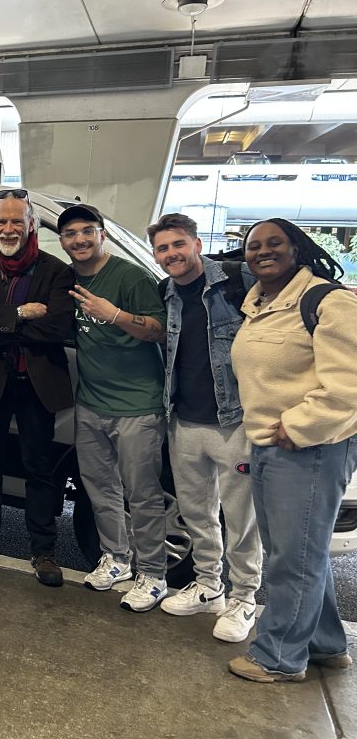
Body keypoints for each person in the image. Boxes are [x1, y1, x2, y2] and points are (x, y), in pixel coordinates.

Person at [227, 218, 357, 683]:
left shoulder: (328, 301)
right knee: (300, 552)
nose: (262, 251)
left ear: (296, 249)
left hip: (310, 448)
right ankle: (324, 643)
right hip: (270, 443)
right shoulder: (261, 304)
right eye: (254, 245)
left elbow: (349, 385)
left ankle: (279, 657)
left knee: (292, 558)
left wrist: (298, 426)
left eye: (274, 243)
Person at [146, 213, 263, 642]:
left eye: (178, 244)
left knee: (241, 518)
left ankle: (244, 597)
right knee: (196, 511)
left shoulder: (238, 280)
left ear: (196, 244)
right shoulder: (166, 292)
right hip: (183, 418)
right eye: (163, 248)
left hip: (234, 420)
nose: (171, 254)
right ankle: (209, 585)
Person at [0, 191, 75, 584]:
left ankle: (44, 552)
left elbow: (58, 326)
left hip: (38, 384)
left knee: (39, 468)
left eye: (16, 221)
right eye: (1, 221)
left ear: (31, 225)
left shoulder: (57, 271)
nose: (8, 229)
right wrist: (22, 313)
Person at [58, 203, 169, 612]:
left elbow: (159, 330)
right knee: (100, 489)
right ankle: (117, 559)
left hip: (137, 406)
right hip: (90, 404)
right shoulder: (66, 279)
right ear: (62, 240)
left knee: (143, 494)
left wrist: (115, 314)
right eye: (71, 234)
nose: (80, 240)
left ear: (102, 235)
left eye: (87, 231)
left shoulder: (130, 276)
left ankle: (153, 575)